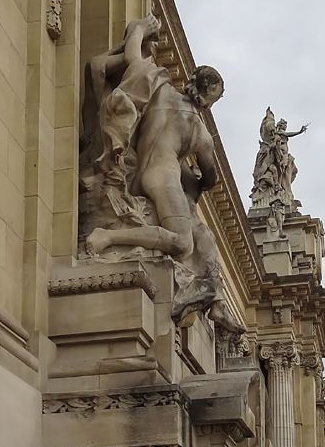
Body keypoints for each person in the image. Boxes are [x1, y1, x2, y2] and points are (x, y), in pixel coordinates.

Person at [86, 23, 241, 332]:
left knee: (205, 237)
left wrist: (140, 30)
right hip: (164, 179)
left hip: (138, 171)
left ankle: (216, 303)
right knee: (183, 242)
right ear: (209, 99)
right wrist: (194, 180)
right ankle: (107, 237)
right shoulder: (199, 131)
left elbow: (132, 56)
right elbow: (210, 178)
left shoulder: (160, 87)